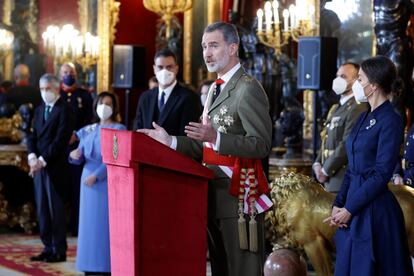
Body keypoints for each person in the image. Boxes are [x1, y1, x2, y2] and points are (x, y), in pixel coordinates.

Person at [138, 22, 273, 276]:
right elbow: (205, 145)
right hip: (211, 193)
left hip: (238, 198)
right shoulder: (215, 88)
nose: (207, 53)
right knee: (220, 269)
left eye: (213, 45)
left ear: (233, 48)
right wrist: (170, 142)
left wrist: (218, 137)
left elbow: (261, 144)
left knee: (242, 270)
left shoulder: (247, 88)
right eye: (204, 47)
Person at [324, 56, 413, 276]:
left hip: (374, 211)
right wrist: (339, 203)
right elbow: (352, 168)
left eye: (360, 78)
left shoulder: (391, 119)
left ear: (372, 85)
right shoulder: (364, 117)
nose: (356, 84)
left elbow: (382, 173)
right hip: (353, 205)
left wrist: (350, 209)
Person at [69, 92, 125, 275]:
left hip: (107, 180)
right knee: (87, 226)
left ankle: (105, 266)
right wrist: (72, 155)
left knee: (104, 225)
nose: (104, 106)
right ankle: (88, 264)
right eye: (101, 103)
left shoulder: (119, 128)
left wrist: (98, 175)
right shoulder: (88, 129)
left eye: (108, 103)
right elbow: (79, 154)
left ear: (114, 107)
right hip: (86, 181)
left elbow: (117, 156)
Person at [27, 73, 74, 263]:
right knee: (42, 209)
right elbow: (32, 136)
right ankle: (47, 247)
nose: (44, 93)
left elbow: (61, 140)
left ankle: (59, 249)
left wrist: (41, 160)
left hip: (55, 167)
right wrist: (32, 158)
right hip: (38, 166)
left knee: (56, 211)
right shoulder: (39, 110)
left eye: (48, 89)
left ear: (57, 89)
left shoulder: (65, 110)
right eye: (42, 89)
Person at [313, 63, 368, 192]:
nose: (338, 80)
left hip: (340, 178)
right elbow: (325, 139)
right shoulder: (336, 108)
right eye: (337, 76)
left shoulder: (357, 107)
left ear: (356, 81)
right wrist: (317, 164)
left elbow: (347, 143)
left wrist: (326, 170)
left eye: (343, 76)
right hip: (328, 178)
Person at [132, 48, 201, 135]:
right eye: (160, 67)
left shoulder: (189, 97)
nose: (164, 71)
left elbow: (188, 135)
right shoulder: (145, 97)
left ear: (176, 68)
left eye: (169, 67)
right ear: (154, 69)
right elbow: (138, 129)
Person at [59, 62, 94, 236]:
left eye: (71, 72)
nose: (68, 75)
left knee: (76, 189)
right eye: (65, 72)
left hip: (78, 147)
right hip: (59, 148)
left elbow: (89, 120)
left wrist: (77, 134)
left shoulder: (85, 95)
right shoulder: (56, 95)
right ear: (60, 75)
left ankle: (76, 226)